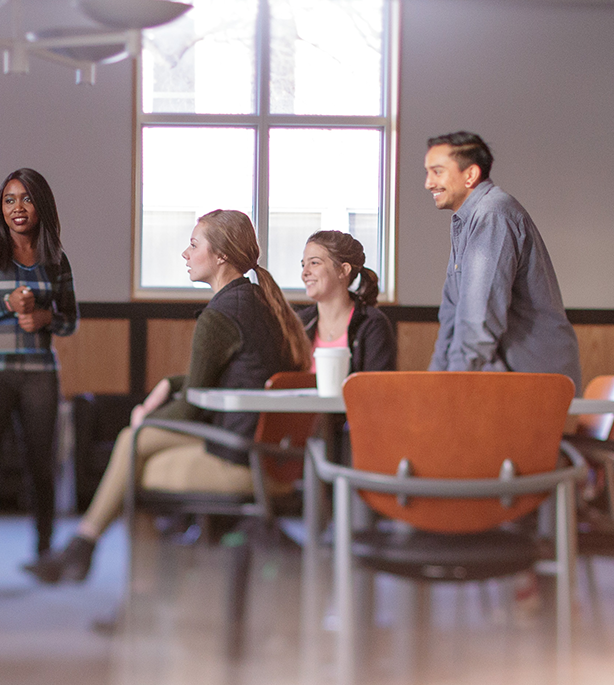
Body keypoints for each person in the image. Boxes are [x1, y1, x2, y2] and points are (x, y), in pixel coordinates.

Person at [27, 209, 312, 584]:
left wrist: (148, 419)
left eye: (194, 245)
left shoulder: (221, 314)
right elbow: (231, 374)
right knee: (135, 451)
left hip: (240, 457)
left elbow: (194, 407)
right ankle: (88, 550)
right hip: (270, 454)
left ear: (221, 255)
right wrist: (170, 384)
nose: (185, 254)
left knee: (134, 452)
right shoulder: (258, 303)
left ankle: (117, 578)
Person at [0, 168, 79, 587]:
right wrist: (5, 305)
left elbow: (69, 322)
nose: (17, 208)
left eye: (25, 199)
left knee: (42, 466)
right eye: (9, 200)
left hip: (39, 375)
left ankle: (43, 551)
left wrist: (46, 317)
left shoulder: (57, 259)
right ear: (1, 208)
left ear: (40, 205)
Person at [423, 131, 581, 386]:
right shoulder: (467, 220)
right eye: (427, 172)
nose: (428, 183)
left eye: (437, 172)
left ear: (470, 175)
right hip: (505, 382)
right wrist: (433, 384)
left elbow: (478, 320)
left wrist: (448, 387)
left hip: (532, 382)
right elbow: (451, 319)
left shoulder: (492, 214)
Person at [297, 230, 396, 374]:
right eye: (303, 265)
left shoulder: (373, 324)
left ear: (343, 270)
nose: (304, 273)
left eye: (314, 263)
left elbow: (378, 390)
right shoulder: (299, 324)